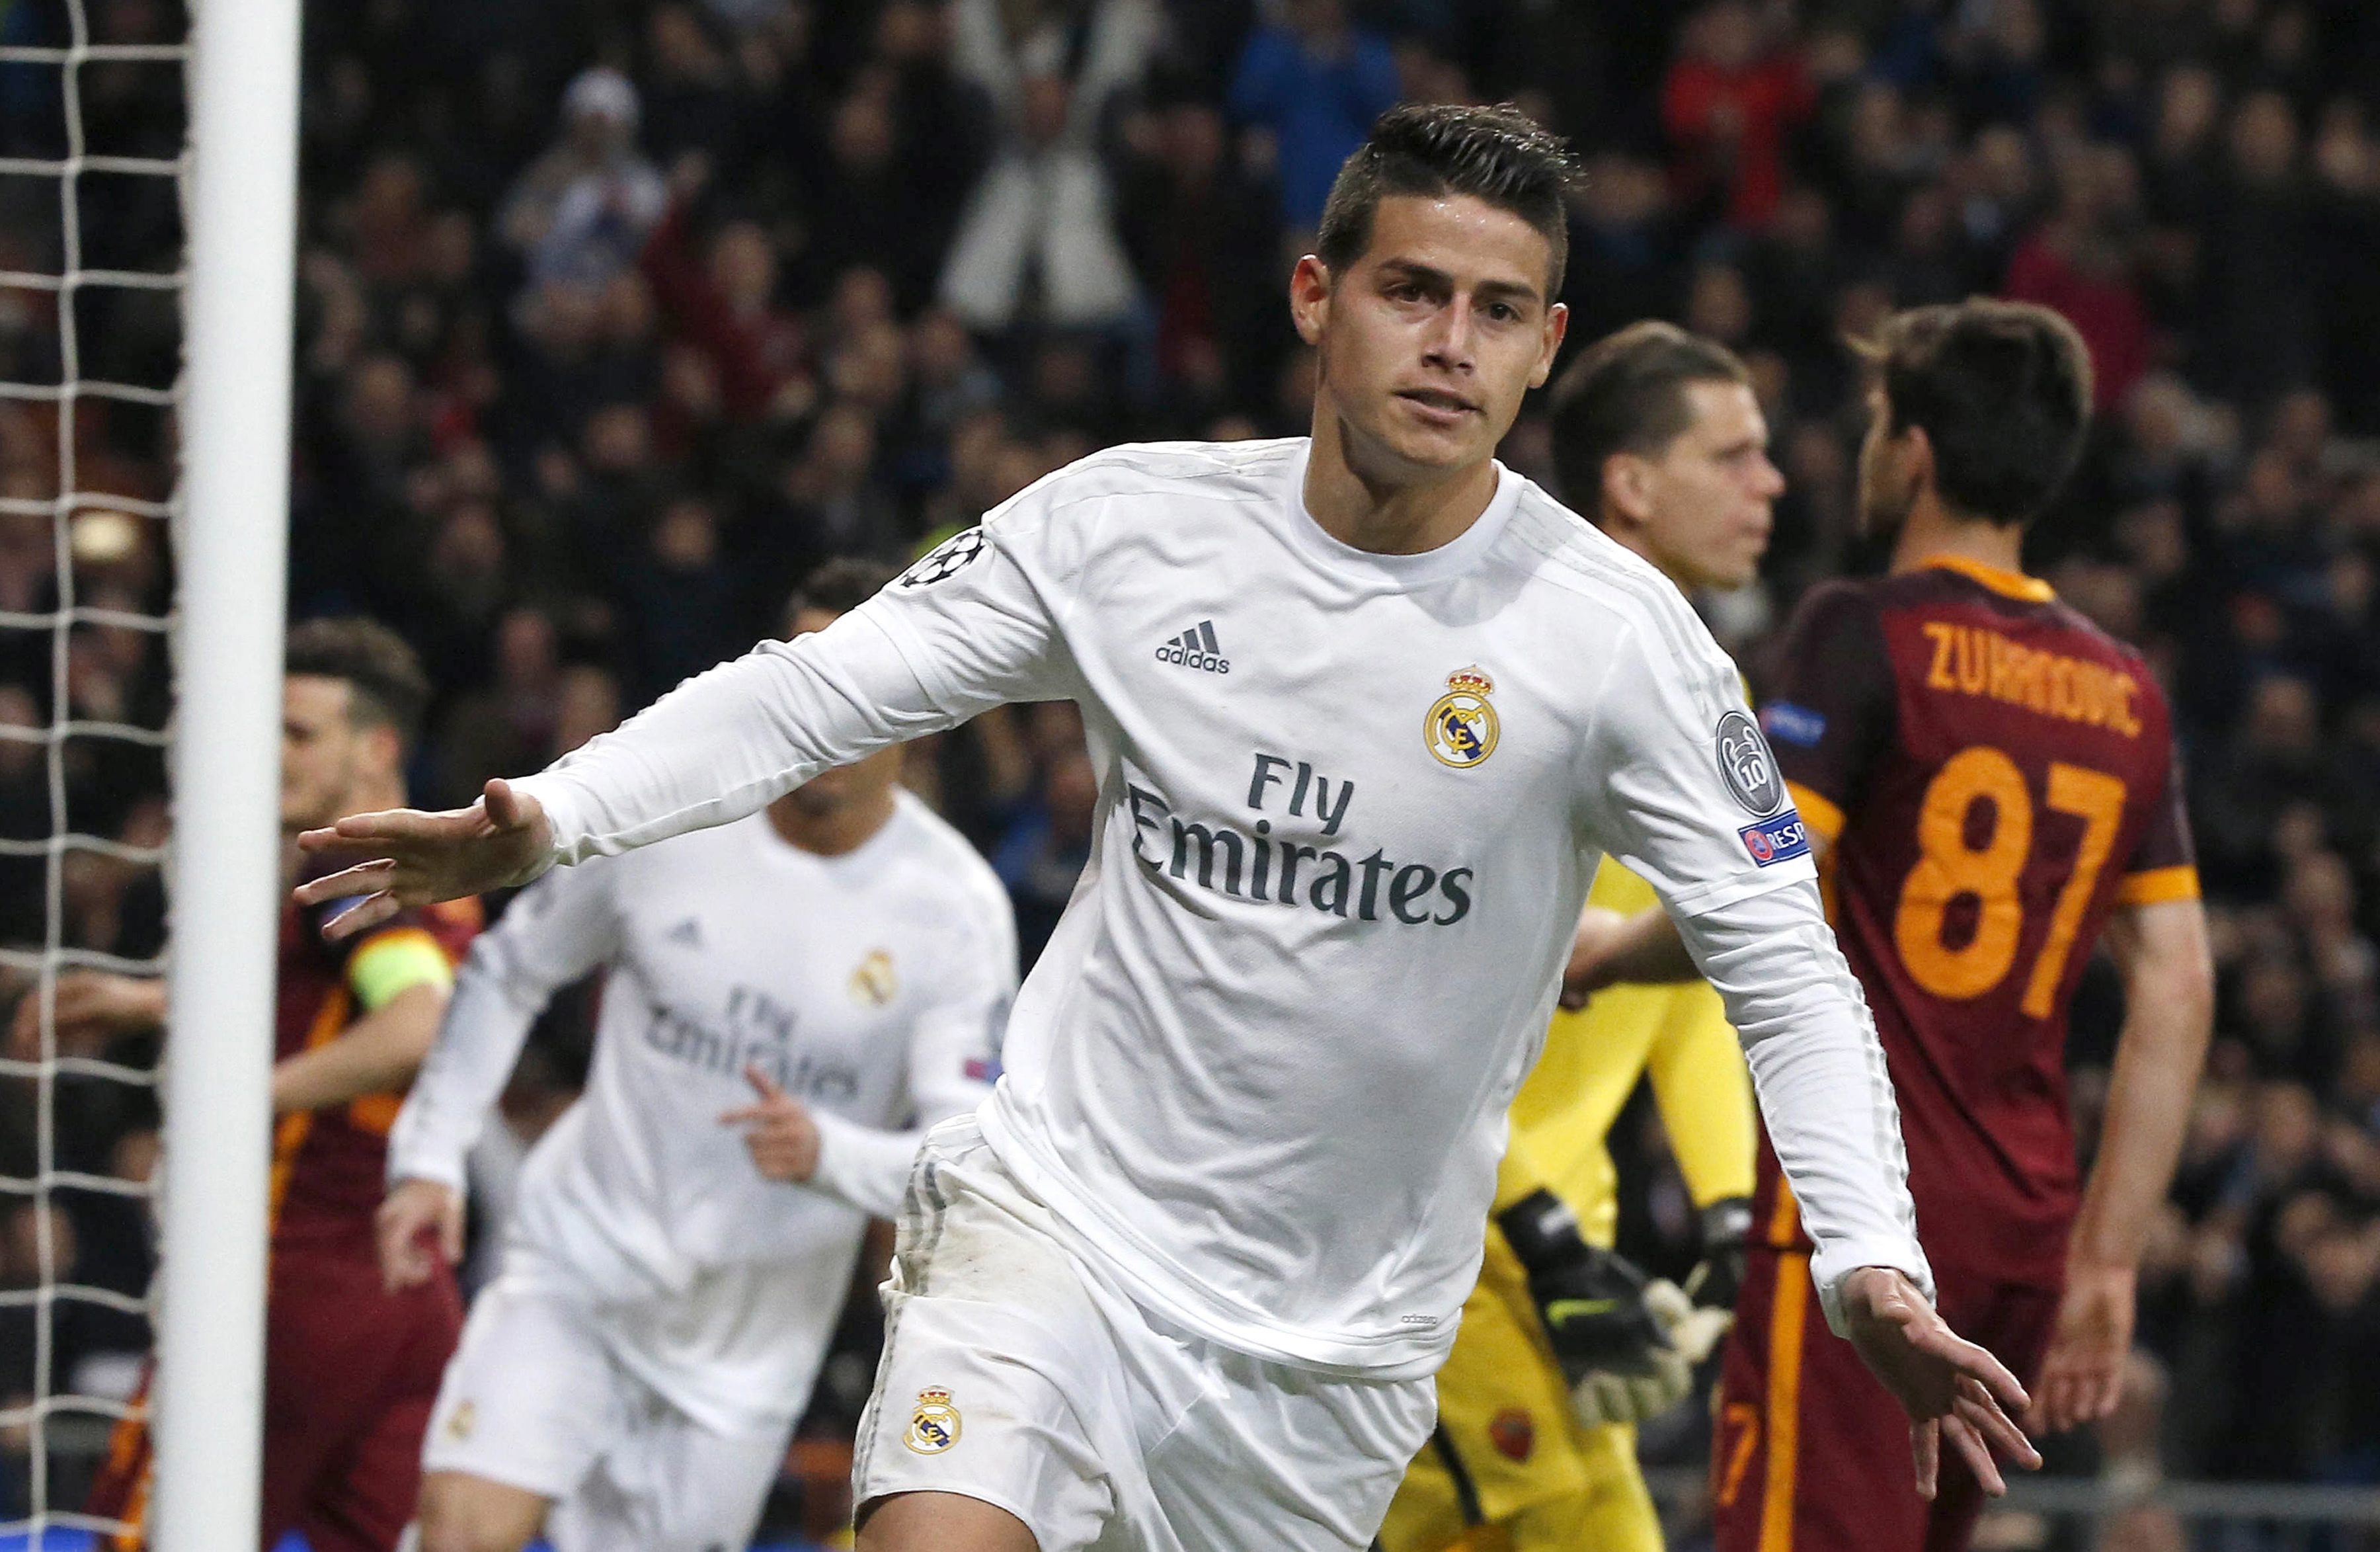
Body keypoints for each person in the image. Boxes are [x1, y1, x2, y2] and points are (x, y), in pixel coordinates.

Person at [297, 105, 2038, 1552]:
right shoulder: (1130, 529)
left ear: (1547, 348)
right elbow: (823, 687)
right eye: (1412, 290)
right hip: (1059, 1218)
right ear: (1314, 295)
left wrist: (1873, 1261)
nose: (1451, 341)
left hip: (1336, 1348)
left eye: (1500, 312)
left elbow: (1785, 966)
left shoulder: (1617, 641)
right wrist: (555, 814)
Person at [1572, 300, 2215, 1552]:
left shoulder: (1863, 632)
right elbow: (2179, 989)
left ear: (1913, 449)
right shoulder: (2125, 693)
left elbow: (1777, 871)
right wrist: (2111, 1261)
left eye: (1876, 424)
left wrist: (1611, 956)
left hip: (1864, 1213)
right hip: (2028, 1223)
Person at [381, 559, 1018, 1552]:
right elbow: (509, 970)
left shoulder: (955, 912)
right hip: (578, 1267)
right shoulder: (673, 818)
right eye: (816, 674)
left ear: (924, 705)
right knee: (461, 1532)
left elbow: (962, 1153)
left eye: (872, 681)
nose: (841, 708)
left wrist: (831, 1155)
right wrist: (428, 1156)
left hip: (743, 1350)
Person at [1378, 321, 1780, 1552]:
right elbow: (1401, 999)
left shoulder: (1714, 692)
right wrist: (1539, 1231)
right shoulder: (1499, 673)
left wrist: (1723, 1205)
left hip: (1564, 1260)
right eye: (1735, 455)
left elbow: (1697, 969)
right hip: (1433, 1237)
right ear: (1634, 485)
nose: (1770, 484)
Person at [85, 618, 481, 1552]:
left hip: (282, 1289)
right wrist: (150, 1002)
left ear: (375, 748)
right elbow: (349, 999)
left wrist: (241, 1094)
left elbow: (414, 1020)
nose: (270, 752)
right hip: (409, 1293)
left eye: (299, 733)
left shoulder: (344, 867)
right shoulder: (447, 875)